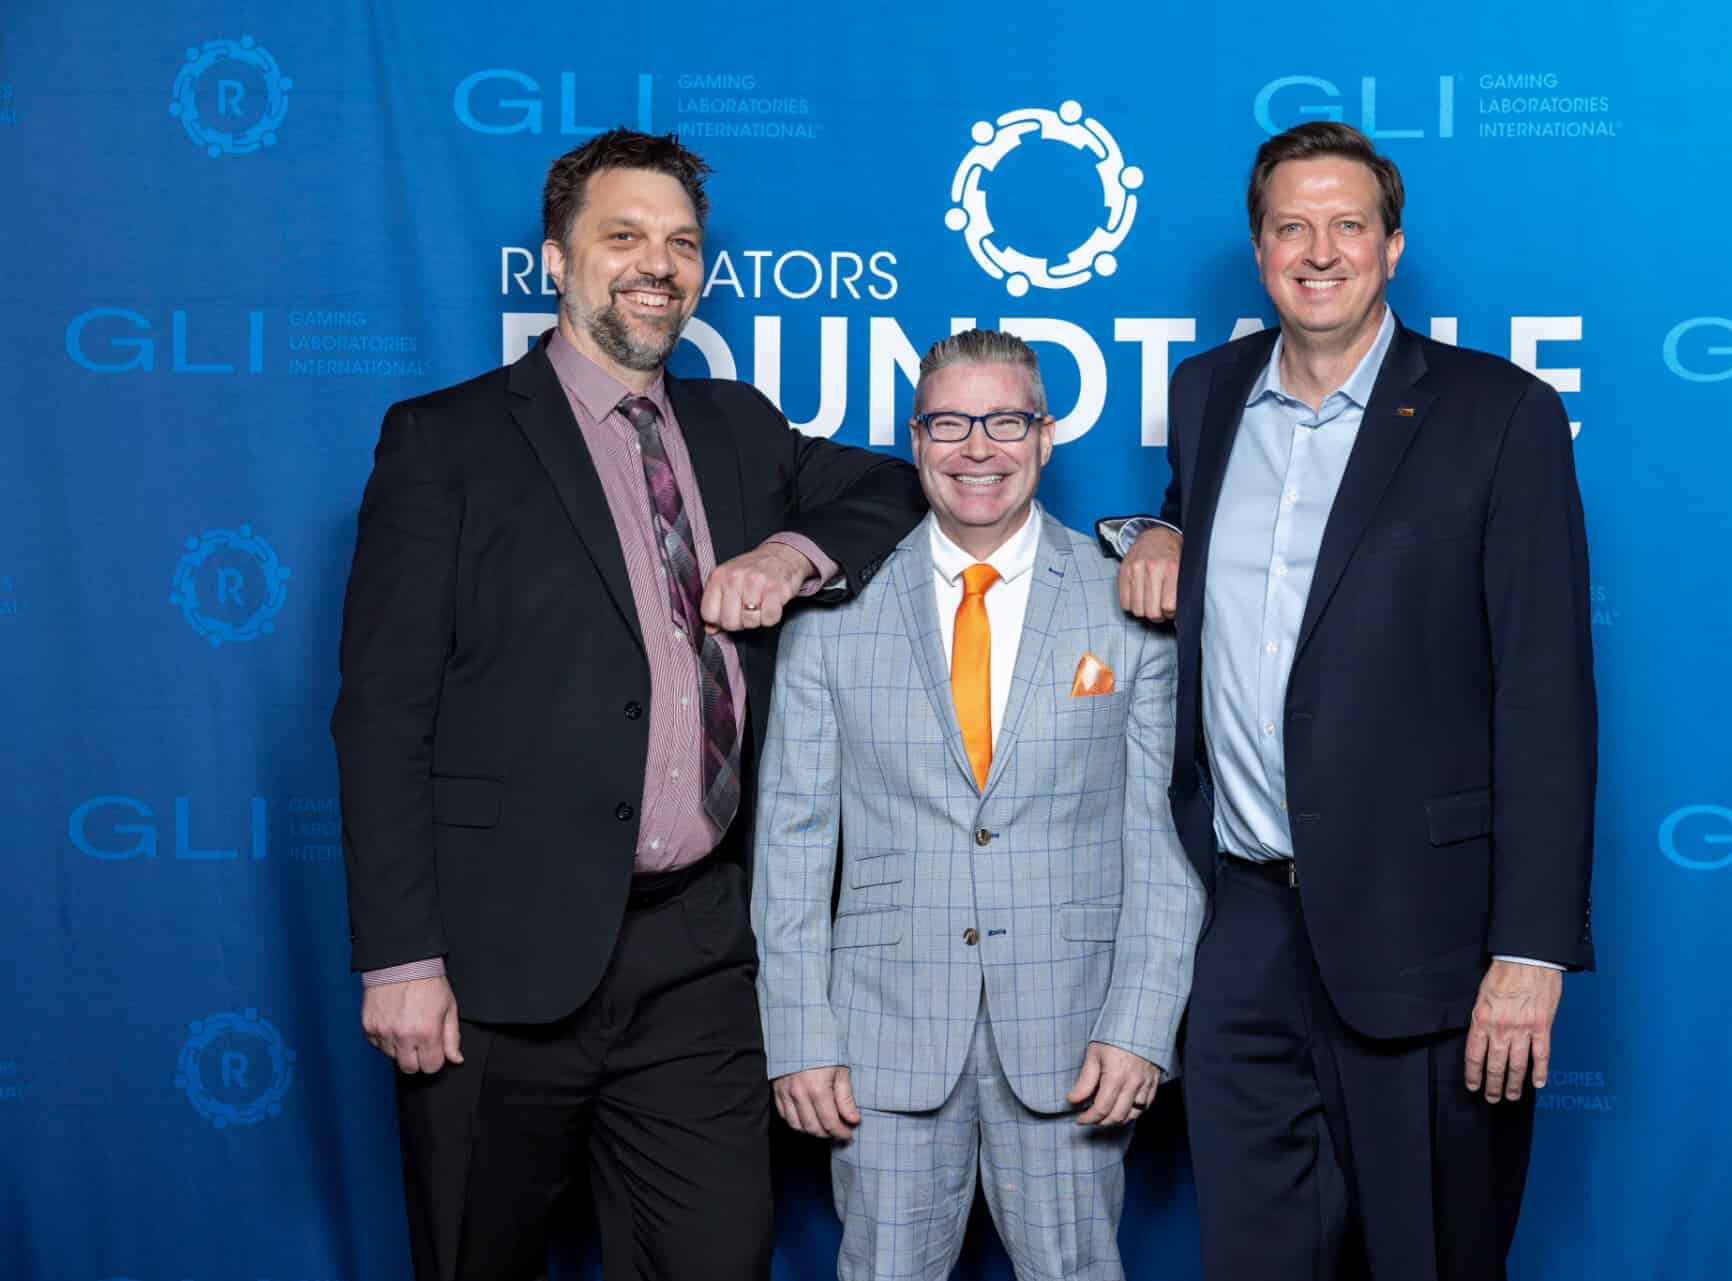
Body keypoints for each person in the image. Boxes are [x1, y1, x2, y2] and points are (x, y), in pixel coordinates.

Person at [331, 127, 925, 1281]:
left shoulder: (736, 425)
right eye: (625, 237)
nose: (658, 265)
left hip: (696, 960)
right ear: (556, 258)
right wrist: (401, 957)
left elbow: (890, 487)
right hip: (498, 967)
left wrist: (792, 553)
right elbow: (383, 711)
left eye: (682, 243)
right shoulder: (444, 441)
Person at [1107, 121, 1597, 1280]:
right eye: (1292, 226)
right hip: (1244, 928)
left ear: (1391, 248)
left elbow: (1545, 693)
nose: (1318, 250)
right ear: (1259, 247)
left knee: (1432, 1257)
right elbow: (1207, 539)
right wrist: (1158, 526)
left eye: (1348, 225)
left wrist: (1527, 953)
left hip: (1427, 936)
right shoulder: (1208, 392)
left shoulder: (1498, 413)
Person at [752, 329, 1205, 1281]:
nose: (977, 448)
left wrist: (1140, 1022)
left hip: (1075, 1039)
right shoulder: (834, 612)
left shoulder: (1127, 603)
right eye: (950, 423)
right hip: (880, 1044)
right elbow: (791, 845)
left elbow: (1162, 845)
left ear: (1045, 437)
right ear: (916, 440)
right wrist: (799, 1034)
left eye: (1005, 421)